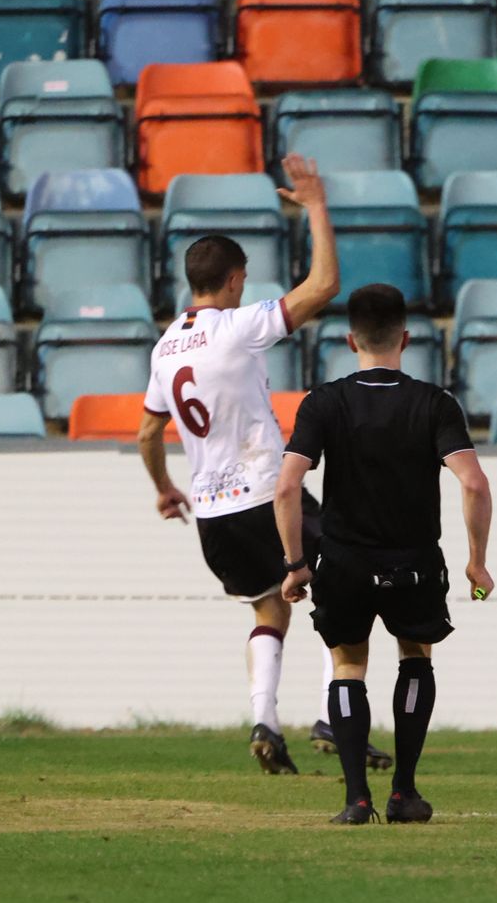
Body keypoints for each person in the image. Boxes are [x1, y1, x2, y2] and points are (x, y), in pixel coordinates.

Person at [139, 152, 379, 777]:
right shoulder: (237, 327)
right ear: (234, 280)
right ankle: (333, 716)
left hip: (213, 515)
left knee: (270, 608)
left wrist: (164, 487)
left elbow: (148, 431)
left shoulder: (165, 348)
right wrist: (317, 207)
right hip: (267, 496)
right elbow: (323, 286)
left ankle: (265, 720)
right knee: (348, 587)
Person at [275, 282, 494, 826]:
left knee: (348, 665)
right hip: (414, 561)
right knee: (415, 658)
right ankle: (404, 793)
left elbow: (286, 487)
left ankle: (356, 799)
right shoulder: (435, 403)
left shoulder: (324, 401)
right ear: (406, 337)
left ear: (351, 340)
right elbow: (473, 483)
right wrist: (477, 560)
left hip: (345, 562)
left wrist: (296, 564)